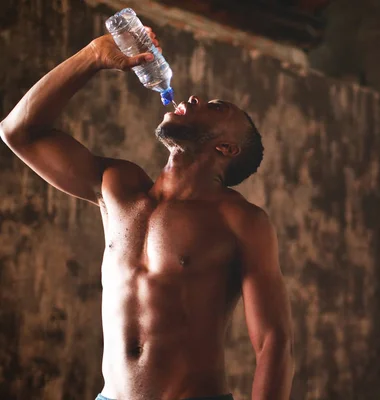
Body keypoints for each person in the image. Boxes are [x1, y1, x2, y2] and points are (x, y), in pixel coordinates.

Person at [0, 27, 294, 400]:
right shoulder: (117, 188)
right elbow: (18, 132)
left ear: (226, 147)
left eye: (218, 108)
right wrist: (92, 56)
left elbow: (274, 341)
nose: (195, 98)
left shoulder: (241, 220)